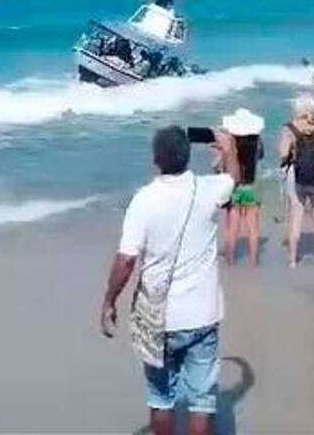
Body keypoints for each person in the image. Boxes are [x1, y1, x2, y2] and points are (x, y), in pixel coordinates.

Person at [100, 127, 239, 435]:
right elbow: (233, 179)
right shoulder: (208, 189)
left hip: (159, 318)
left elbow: (126, 260)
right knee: (202, 400)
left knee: (160, 397)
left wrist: (109, 301)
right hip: (203, 313)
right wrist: (229, 150)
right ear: (188, 156)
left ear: (156, 159)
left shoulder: (144, 200)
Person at [278, 95, 314, 267]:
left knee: (296, 217)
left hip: (297, 176)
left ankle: (293, 260)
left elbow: (283, 154)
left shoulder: (289, 128)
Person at [219, 109, 265, 267]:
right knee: (253, 228)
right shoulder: (257, 141)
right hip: (250, 186)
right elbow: (260, 156)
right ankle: (253, 261)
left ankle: (231, 260)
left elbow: (222, 163)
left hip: (234, 189)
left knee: (233, 227)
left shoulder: (231, 142)